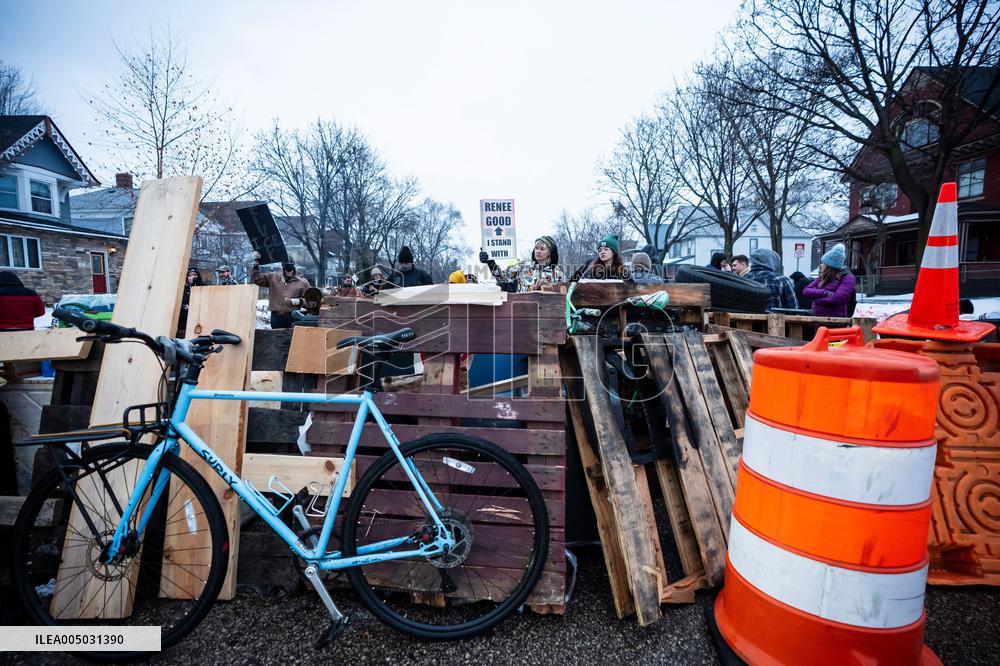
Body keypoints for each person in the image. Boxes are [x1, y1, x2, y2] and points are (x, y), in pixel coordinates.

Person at [480, 235, 565, 292]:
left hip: (547, 310)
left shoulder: (557, 274)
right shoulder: (523, 266)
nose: (538, 251)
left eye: (542, 249)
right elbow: (502, 277)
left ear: (549, 252)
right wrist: (490, 262)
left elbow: (563, 296)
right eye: (536, 248)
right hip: (522, 309)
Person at [251, 257, 311, 329]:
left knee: (292, 335)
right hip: (276, 317)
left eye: (291, 263)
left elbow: (310, 302)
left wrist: (299, 301)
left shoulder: (302, 281)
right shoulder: (273, 277)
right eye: (286, 263)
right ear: (282, 265)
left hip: (293, 317)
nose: (289, 265)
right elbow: (257, 280)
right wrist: (256, 265)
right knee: (277, 335)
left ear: (294, 264)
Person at [803, 243, 857, 317]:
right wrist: (824, 293)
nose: (821, 265)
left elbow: (837, 299)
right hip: (817, 316)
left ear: (829, 266)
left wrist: (816, 301)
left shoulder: (848, 278)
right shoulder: (822, 277)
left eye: (823, 263)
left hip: (836, 319)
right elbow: (806, 290)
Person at [179, 267, 206, 332]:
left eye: (195, 275)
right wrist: (184, 306)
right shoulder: (183, 287)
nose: (193, 277)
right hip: (184, 315)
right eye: (191, 275)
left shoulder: (202, 286)